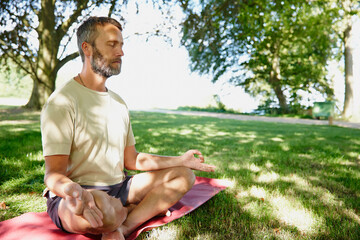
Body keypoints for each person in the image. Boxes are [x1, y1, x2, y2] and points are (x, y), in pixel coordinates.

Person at [41, 16, 216, 240]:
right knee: (101, 212)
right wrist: (73, 191)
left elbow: (131, 160)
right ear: (87, 48)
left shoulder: (119, 103)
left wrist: (179, 161)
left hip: (120, 187)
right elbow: (53, 174)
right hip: (76, 195)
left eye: (121, 45)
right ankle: (122, 213)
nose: (121, 52)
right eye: (112, 45)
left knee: (184, 176)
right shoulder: (62, 102)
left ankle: (123, 227)